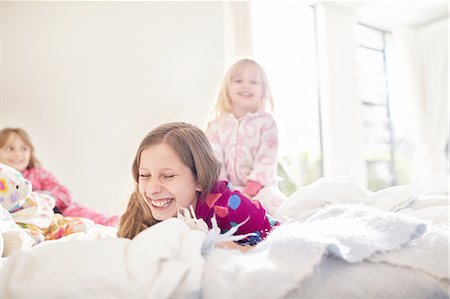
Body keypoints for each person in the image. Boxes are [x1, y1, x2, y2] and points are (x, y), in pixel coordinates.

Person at [117, 122, 279, 251]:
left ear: (200, 179)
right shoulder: (143, 204)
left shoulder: (230, 206)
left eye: (168, 176)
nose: (152, 189)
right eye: (145, 175)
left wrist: (235, 249)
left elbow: (280, 243)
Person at [206, 58, 286, 216]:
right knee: (209, 207)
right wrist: (225, 190)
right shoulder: (216, 126)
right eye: (238, 80)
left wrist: (249, 193)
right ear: (227, 88)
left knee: (276, 204)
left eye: (254, 82)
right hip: (227, 190)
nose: (246, 85)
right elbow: (214, 162)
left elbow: (266, 160)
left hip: (261, 189)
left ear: (263, 90)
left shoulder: (266, 123)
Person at [0, 127, 119, 226]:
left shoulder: (39, 174)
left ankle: (116, 222)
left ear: (30, 152)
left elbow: (64, 194)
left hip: (59, 211)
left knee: (80, 215)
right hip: (26, 220)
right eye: (10, 149)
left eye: (24, 149)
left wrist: (42, 198)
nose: (17, 154)